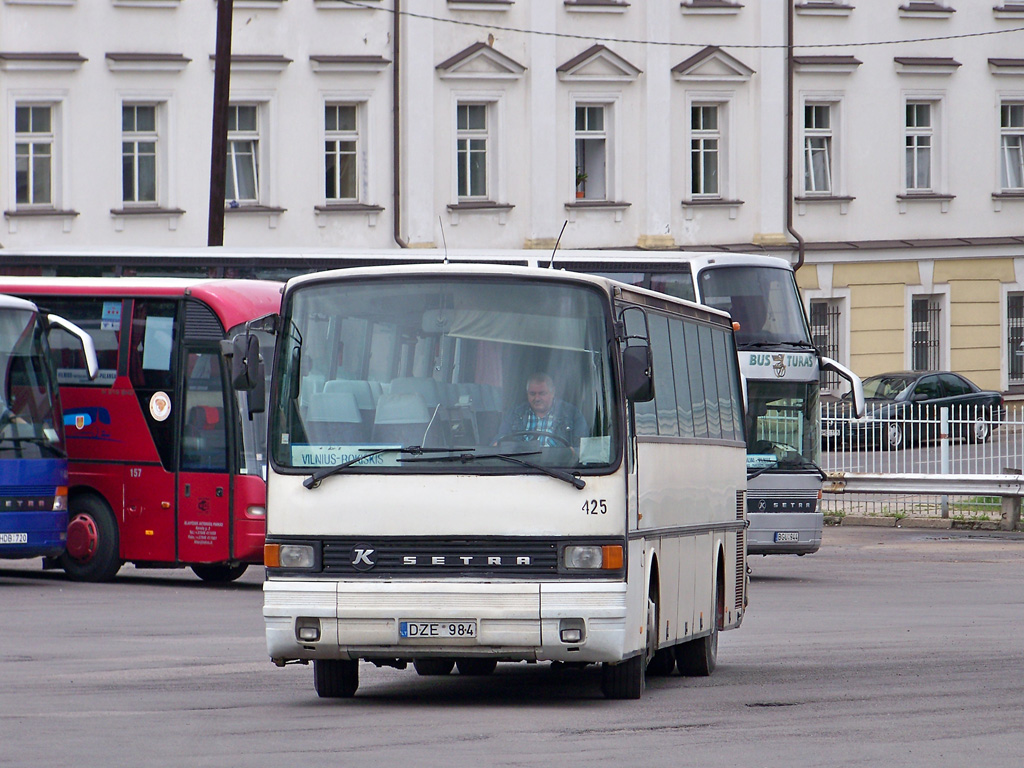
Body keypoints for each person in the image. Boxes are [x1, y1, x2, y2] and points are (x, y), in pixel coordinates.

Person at [495, 372, 588, 447]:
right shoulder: (514, 414)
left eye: (542, 393)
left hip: (560, 468)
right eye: (532, 394)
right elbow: (497, 443)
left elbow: (583, 451)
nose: (537, 398)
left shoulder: (573, 415)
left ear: (553, 393)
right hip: (520, 467)